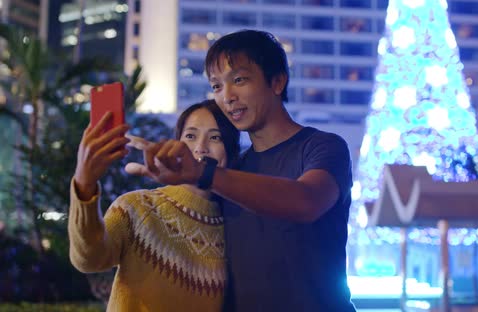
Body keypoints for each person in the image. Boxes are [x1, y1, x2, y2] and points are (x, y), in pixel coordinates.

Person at [127, 29, 356, 311]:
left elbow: (306, 201)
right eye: (216, 86)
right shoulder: (234, 168)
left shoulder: (321, 147)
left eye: (239, 80)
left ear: (277, 81)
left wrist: (204, 174)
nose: (228, 97)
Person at [68, 99, 240, 311]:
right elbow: (89, 259)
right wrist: (84, 185)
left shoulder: (235, 228)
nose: (201, 148)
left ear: (231, 150)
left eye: (215, 137)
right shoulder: (138, 207)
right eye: (190, 136)